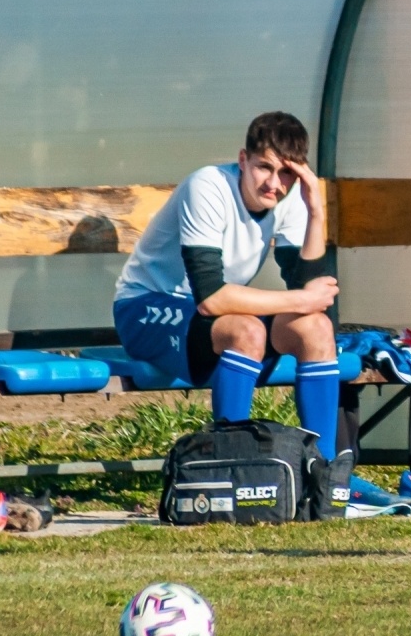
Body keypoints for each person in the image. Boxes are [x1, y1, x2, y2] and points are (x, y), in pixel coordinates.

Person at [112, 111, 343, 458]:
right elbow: (211, 299)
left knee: (317, 329)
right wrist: (302, 299)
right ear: (243, 160)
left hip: (218, 319)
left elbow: (305, 287)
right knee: (247, 331)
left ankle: (323, 470)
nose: (274, 183)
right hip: (146, 308)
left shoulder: (290, 197)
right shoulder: (207, 186)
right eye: (264, 167)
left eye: (286, 174)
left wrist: (316, 212)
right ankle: (232, 465)